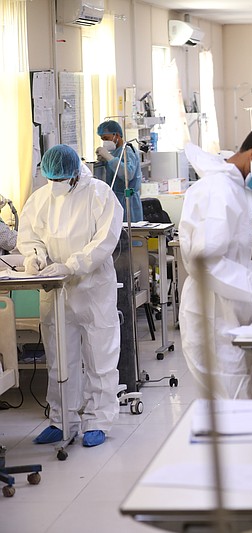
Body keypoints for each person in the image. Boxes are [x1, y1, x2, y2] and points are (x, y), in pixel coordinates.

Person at [179, 123, 252, 399]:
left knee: (239, 400)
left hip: (229, 310)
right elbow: (206, 262)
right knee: (233, 406)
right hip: (211, 313)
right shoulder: (218, 190)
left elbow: (231, 256)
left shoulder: (236, 188)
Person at [17, 145, 123, 447]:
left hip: (92, 288)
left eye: (61, 179)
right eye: (52, 179)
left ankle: (98, 420)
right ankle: (62, 418)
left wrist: (72, 266)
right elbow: (30, 236)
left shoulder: (100, 195)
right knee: (59, 358)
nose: (57, 185)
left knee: (99, 357)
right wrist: (34, 257)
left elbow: (104, 242)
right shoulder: (41, 199)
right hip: (56, 290)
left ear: (75, 174)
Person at [95, 119, 144, 222]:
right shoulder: (114, 152)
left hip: (128, 201)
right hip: (116, 198)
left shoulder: (127, 151)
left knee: (132, 233)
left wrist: (109, 157)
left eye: (106, 138)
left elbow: (128, 174)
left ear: (116, 135)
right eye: (102, 139)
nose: (104, 141)